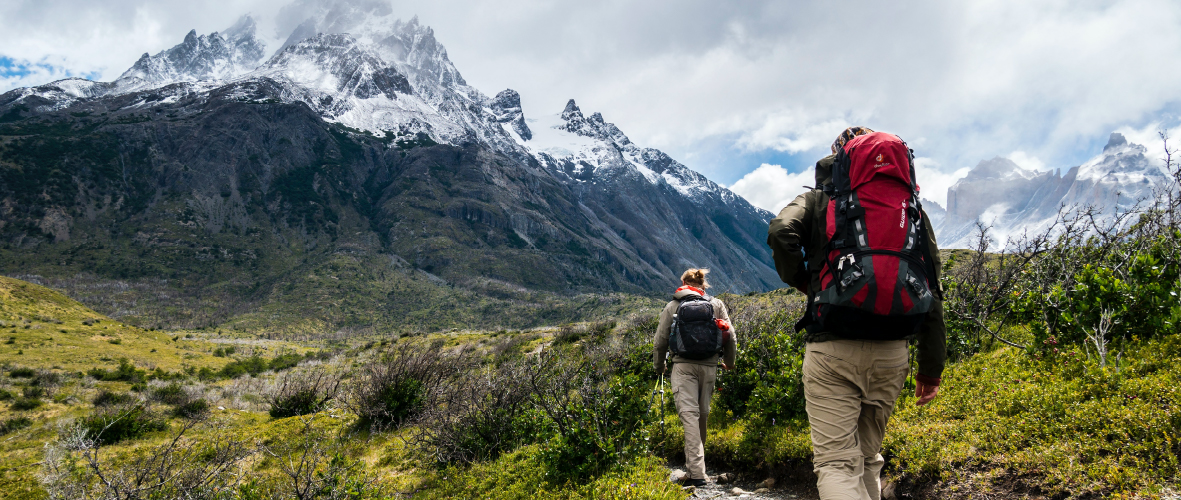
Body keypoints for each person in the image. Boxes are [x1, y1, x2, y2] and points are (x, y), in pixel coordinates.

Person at [767, 127, 947, 500]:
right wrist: (931, 368)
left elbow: (782, 231)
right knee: (868, 458)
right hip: (893, 353)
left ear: (840, 159)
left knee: (836, 463)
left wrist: (805, 282)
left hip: (833, 347)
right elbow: (931, 285)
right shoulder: (911, 210)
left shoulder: (819, 200)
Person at [652, 268, 737, 487]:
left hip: (683, 367)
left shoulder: (673, 306)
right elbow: (731, 336)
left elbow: (660, 340)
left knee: (689, 415)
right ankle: (696, 468)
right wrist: (729, 362)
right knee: (702, 416)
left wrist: (660, 366)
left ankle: (697, 473)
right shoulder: (716, 304)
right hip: (709, 367)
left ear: (683, 283)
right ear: (703, 285)